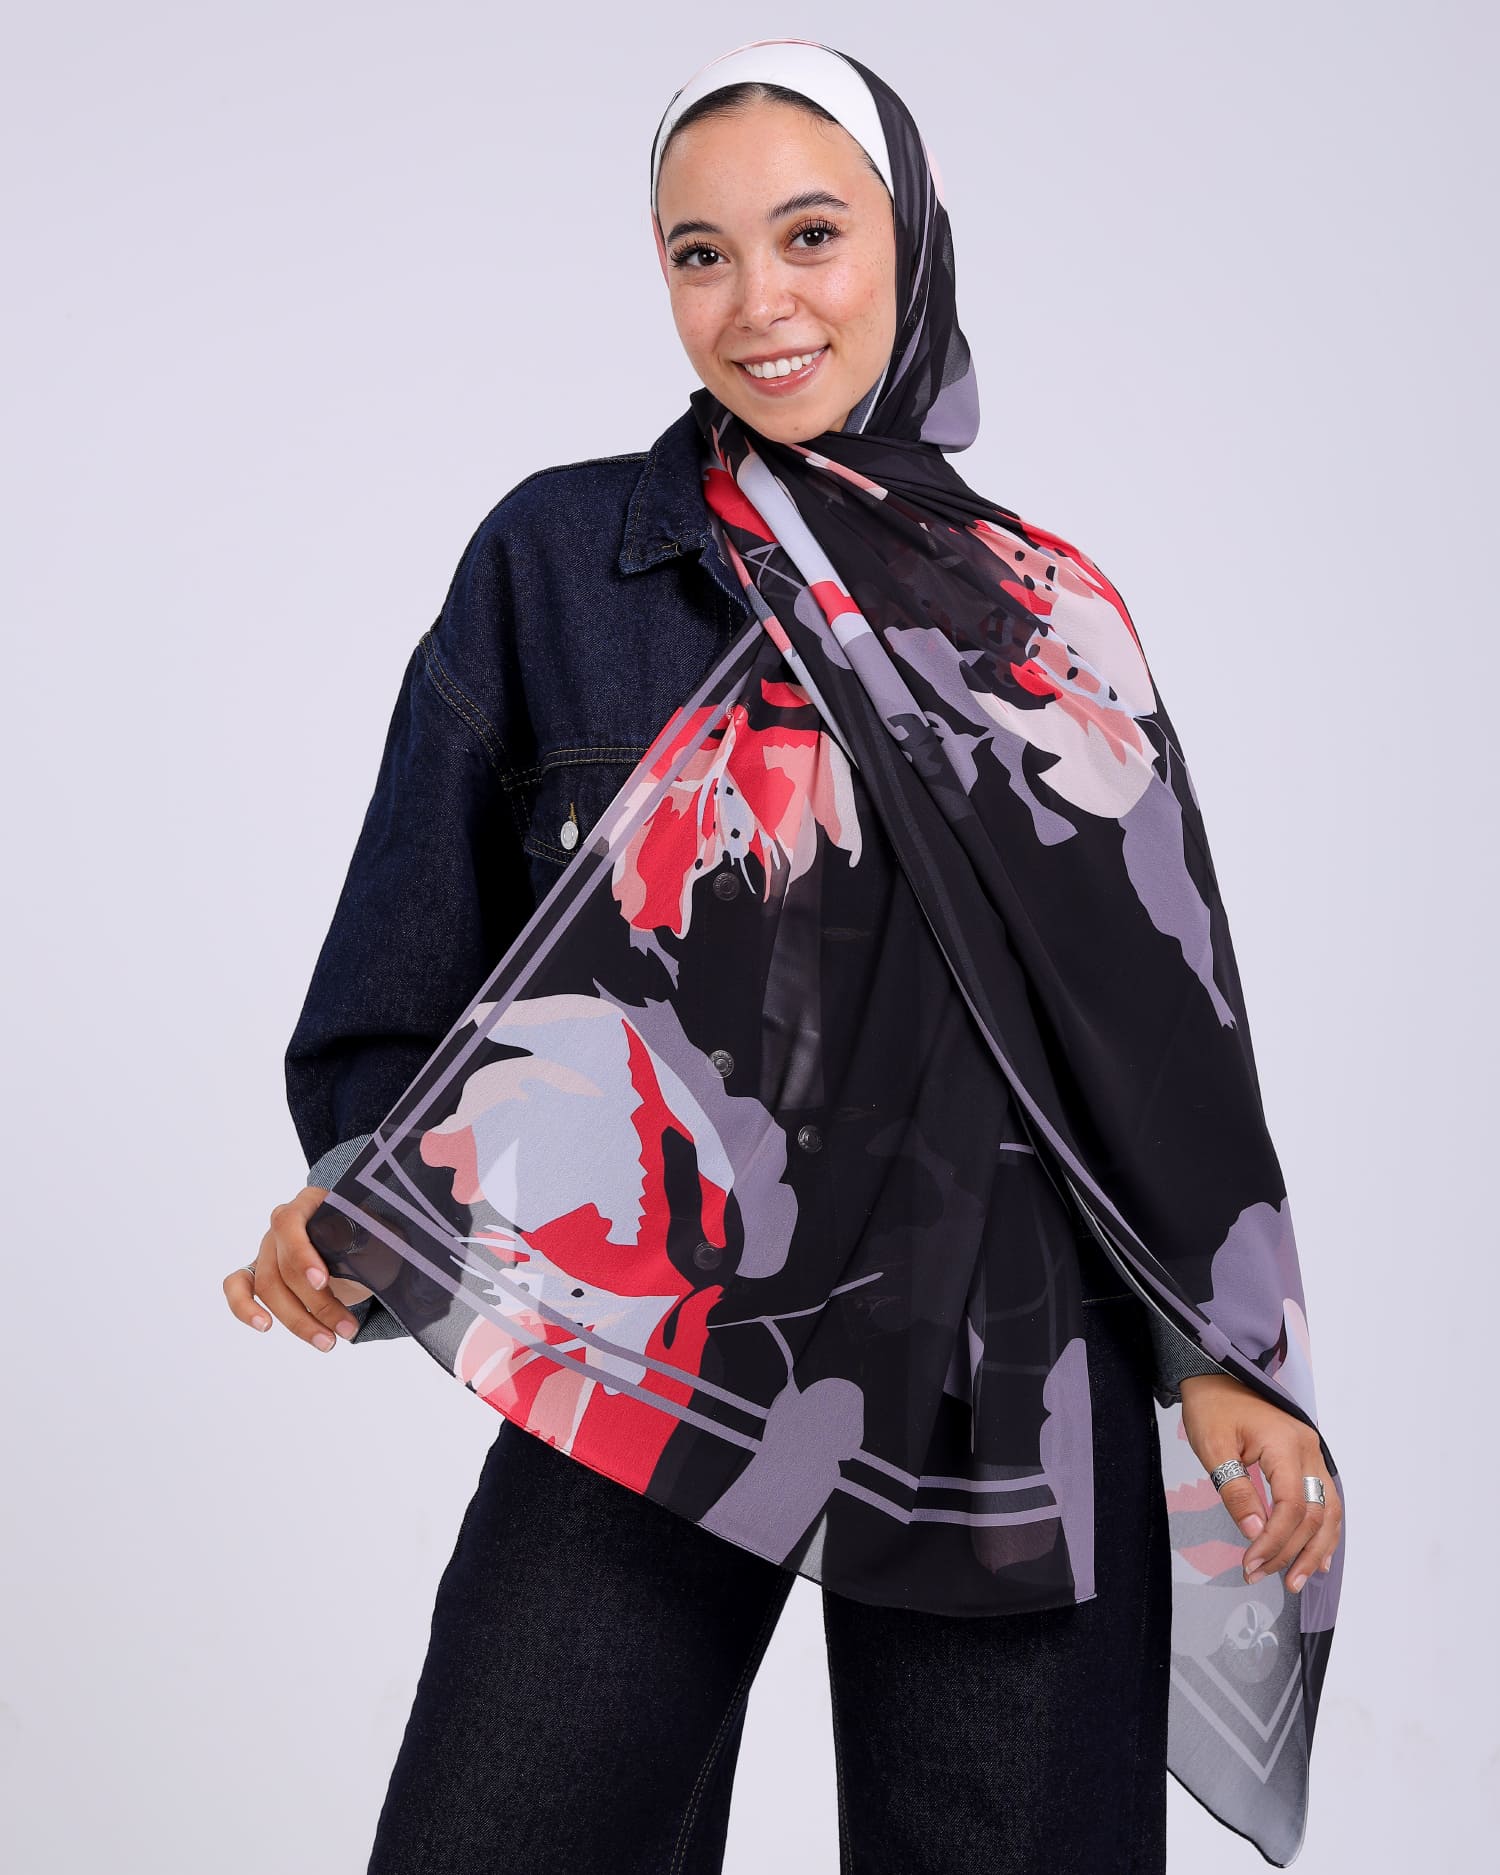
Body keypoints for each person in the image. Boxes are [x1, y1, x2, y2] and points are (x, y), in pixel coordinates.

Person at [224, 39, 1343, 1873]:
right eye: (701, 254)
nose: (760, 304)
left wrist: (1216, 1354)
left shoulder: (1050, 624)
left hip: (1014, 1359)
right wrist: (365, 1190)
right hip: (647, 1331)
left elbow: (1159, 1040)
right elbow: (399, 974)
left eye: (811, 235)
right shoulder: (564, 561)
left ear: (911, 242)